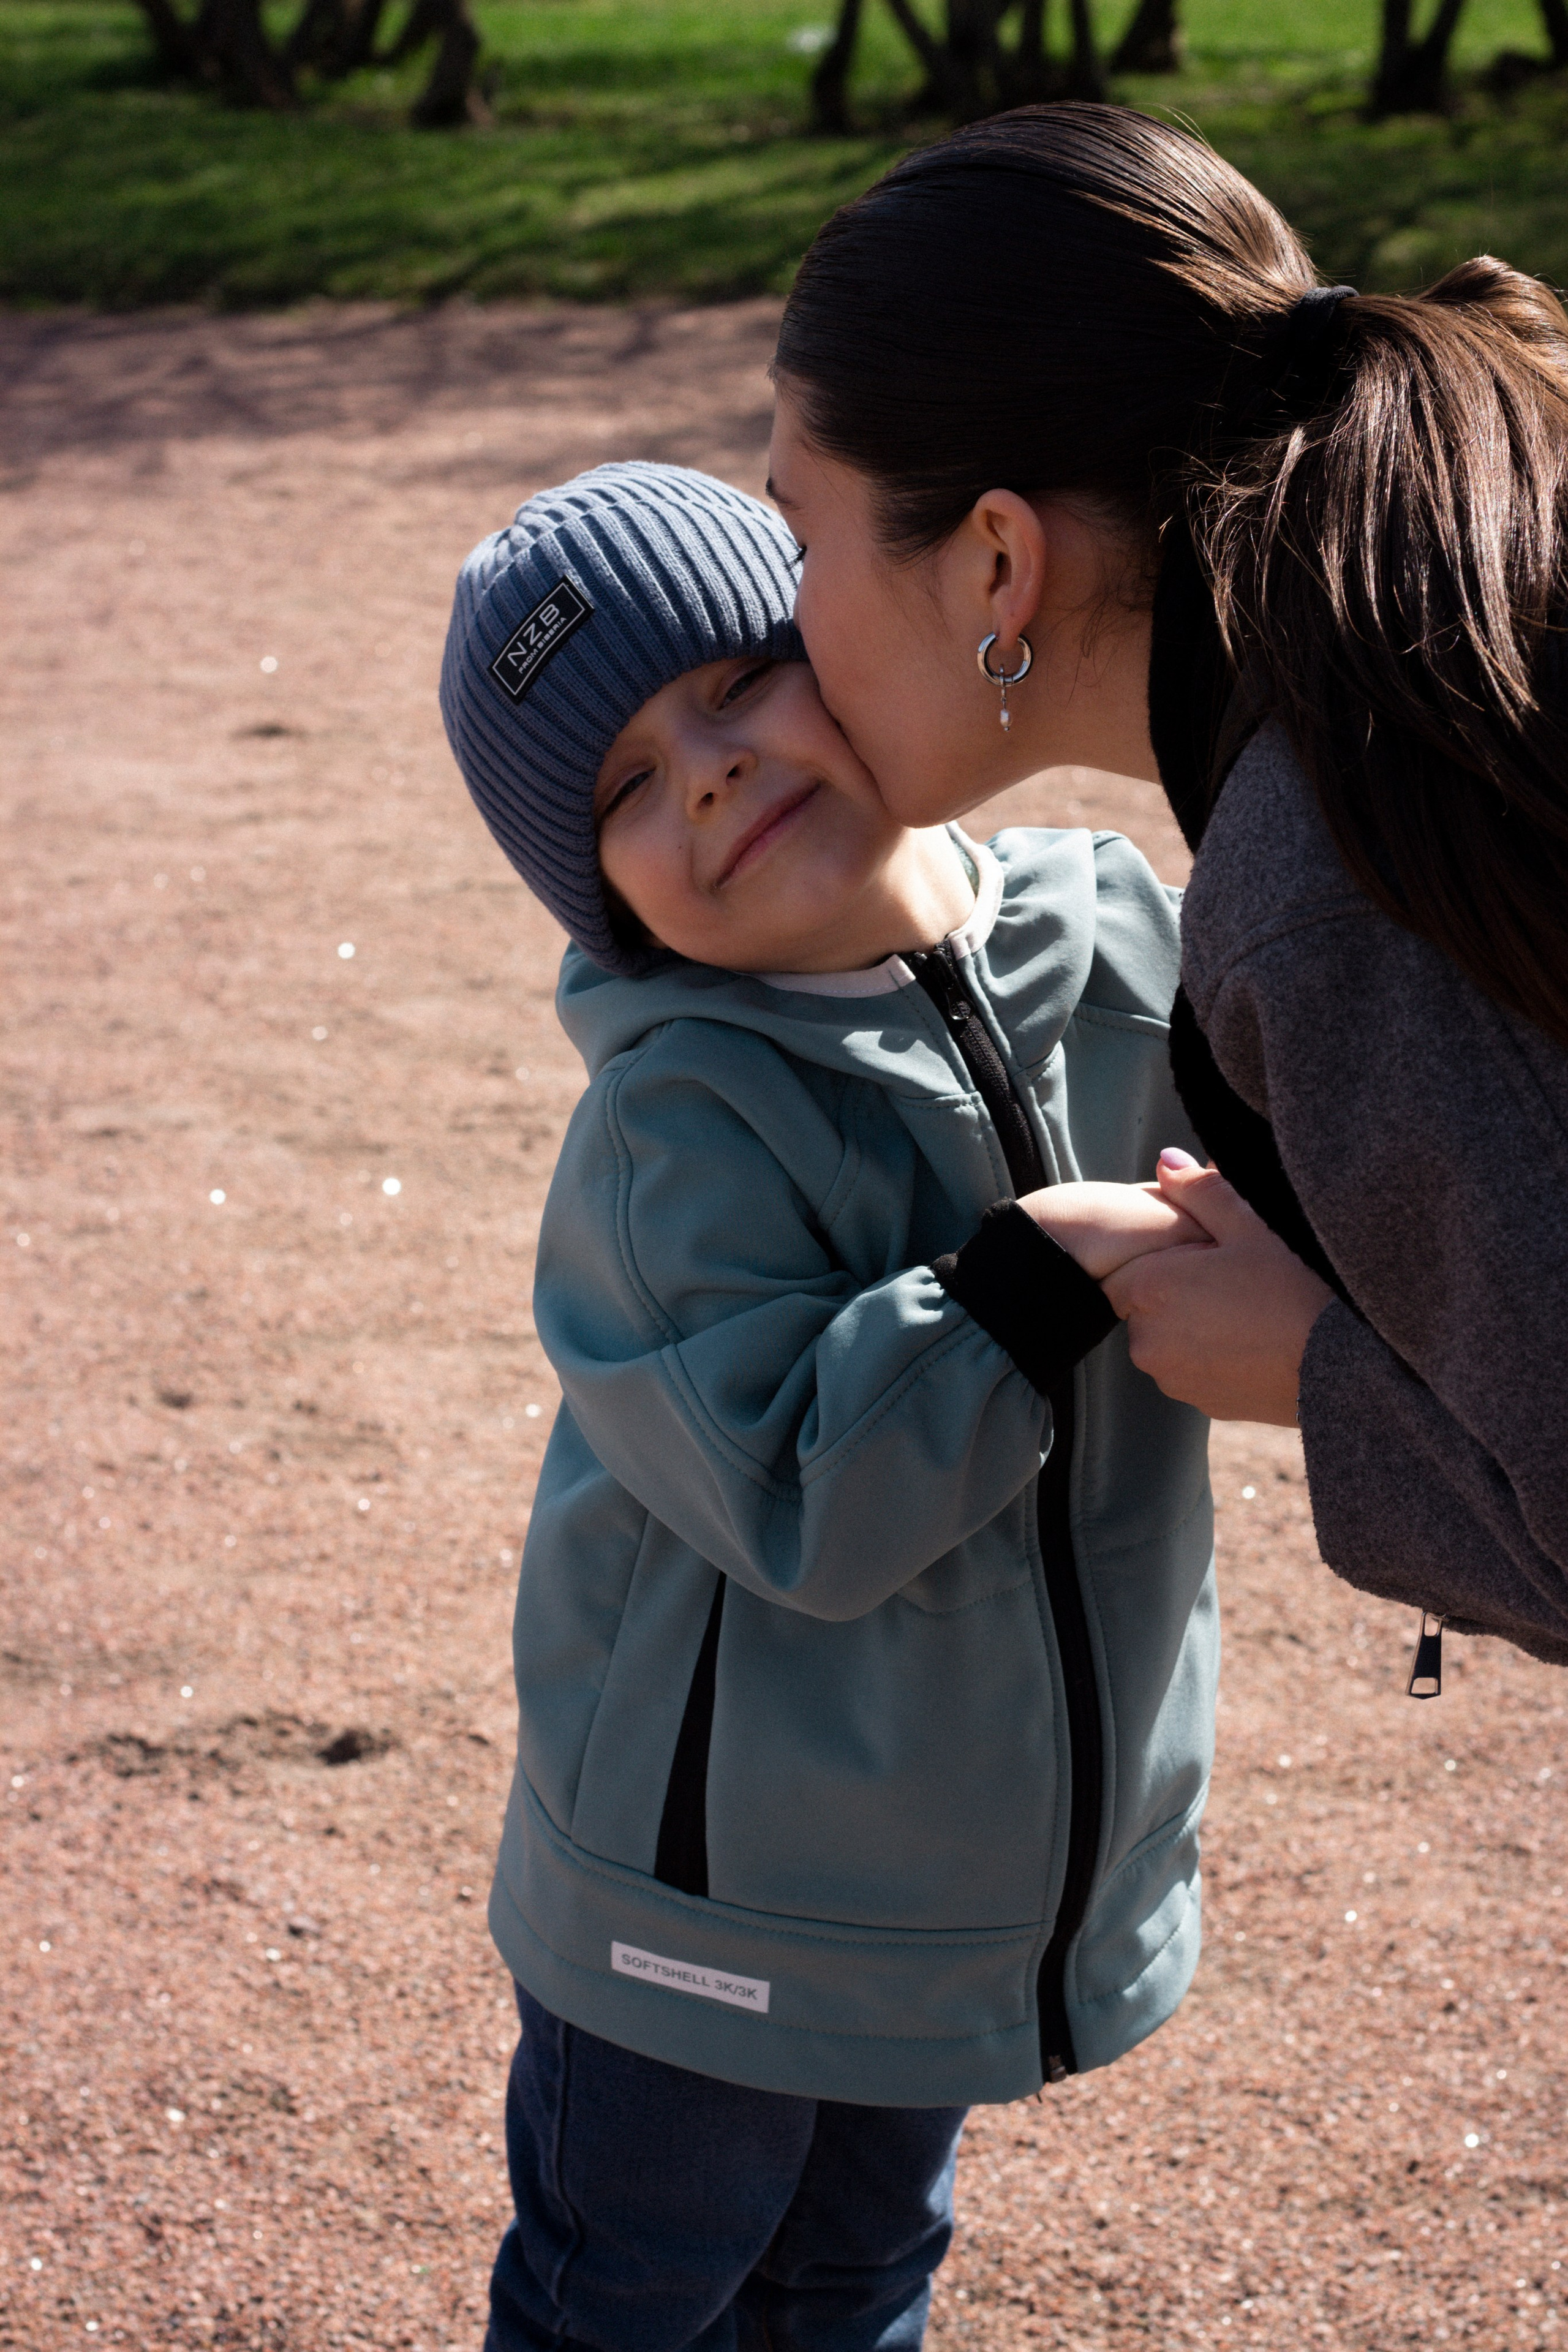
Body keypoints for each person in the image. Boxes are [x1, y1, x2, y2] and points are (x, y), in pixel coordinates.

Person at [440, 459, 1219, 2351]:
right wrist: (1023, 1281)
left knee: (863, 2276)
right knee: (630, 2290)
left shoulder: (1113, 931)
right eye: (624, 788)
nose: (702, 769)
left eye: (731, 682)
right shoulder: (671, 1125)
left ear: (848, 648)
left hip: (948, 1873)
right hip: (698, 1913)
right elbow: (800, 1493)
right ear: (606, 904)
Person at [767, 102, 1568, 1676]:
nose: (789, 625)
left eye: (801, 530)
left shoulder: (1338, 873)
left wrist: (1324, 1372)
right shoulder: (1425, 658)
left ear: (997, 563)